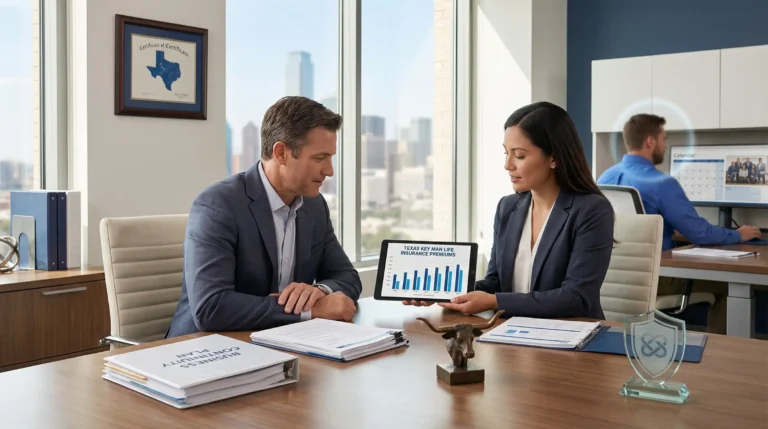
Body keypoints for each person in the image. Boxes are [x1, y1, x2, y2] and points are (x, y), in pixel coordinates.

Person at [167, 96, 361, 338]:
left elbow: (347, 277)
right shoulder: (218, 205)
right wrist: (310, 310)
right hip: (202, 350)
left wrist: (320, 290)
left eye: (330, 158)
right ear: (281, 153)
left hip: (281, 343)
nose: (329, 171)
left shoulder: (314, 206)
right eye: (320, 158)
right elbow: (211, 307)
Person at [405, 101, 615, 319]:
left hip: (572, 336)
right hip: (511, 333)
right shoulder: (508, 207)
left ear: (554, 158)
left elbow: (576, 297)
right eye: (506, 152)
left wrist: (495, 301)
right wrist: (443, 293)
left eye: (520, 155)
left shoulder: (592, 210)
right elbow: (495, 282)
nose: (508, 165)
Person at [597, 113, 761, 333]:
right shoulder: (661, 182)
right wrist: (738, 235)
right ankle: (720, 357)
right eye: (664, 139)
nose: (665, 146)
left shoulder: (605, 177)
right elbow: (699, 233)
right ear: (650, 141)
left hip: (611, 275)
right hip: (657, 278)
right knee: (730, 285)